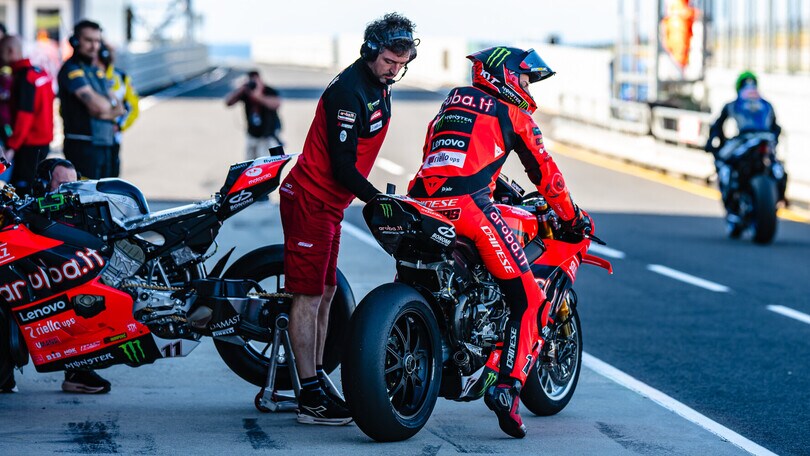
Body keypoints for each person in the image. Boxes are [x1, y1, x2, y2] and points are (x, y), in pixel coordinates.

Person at [406, 47, 589, 438]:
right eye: (524, 78)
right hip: (470, 209)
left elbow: (437, 158)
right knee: (530, 299)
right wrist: (572, 218)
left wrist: (495, 184)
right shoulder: (512, 113)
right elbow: (546, 175)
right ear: (504, 75)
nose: (526, 86)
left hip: (419, 204)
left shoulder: (450, 104)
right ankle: (508, 389)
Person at [279, 12, 417, 425]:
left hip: (331, 207)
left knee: (326, 293)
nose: (395, 69)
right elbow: (341, 165)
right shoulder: (350, 91)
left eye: (402, 62)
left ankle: (316, 377)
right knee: (306, 295)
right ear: (371, 51)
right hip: (310, 199)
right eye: (390, 60)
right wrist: (377, 201)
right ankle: (308, 397)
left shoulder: (380, 85)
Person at [704, 71, 786, 226]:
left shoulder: (734, 104)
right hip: (766, 140)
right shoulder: (766, 104)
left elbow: (717, 127)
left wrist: (712, 144)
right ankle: (780, 198)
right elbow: (776, 128)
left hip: (744, 140)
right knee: (779, 168)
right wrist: (773, 142)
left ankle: (731, 199)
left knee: (722, 162)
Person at [57, 20, 123, 179]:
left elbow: (119, 107)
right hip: (83, 146)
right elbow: (98, 106)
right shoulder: (71, 69)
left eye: (97, 41)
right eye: (89, 41)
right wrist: (107, 110)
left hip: (105, 144)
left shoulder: (97, 70)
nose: (94, 46)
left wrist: (104, 112)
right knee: (88, 198)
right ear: (75, 41)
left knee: (108, 196)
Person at [0, 35, 55, 196]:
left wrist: (12, 146)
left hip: (29, 145)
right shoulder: (39, 73)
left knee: (21, 193)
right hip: (42, 143)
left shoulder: (24, 78)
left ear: (10, 51)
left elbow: (25, 116)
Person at [99, 41, 139, 177]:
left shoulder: (121, 77)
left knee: (111, 183)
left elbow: (134, 108)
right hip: (89, 141)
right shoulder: (85, 76)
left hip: (113, 140)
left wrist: (120, 126)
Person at [224, 69, 282, 160]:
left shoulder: (269, 90)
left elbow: (276, 104)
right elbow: (228, 102)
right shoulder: (246, 92)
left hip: (268, 135)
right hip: (252, 134)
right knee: (250, 163)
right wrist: (241, 89)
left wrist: (258, 96)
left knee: (265, 163)